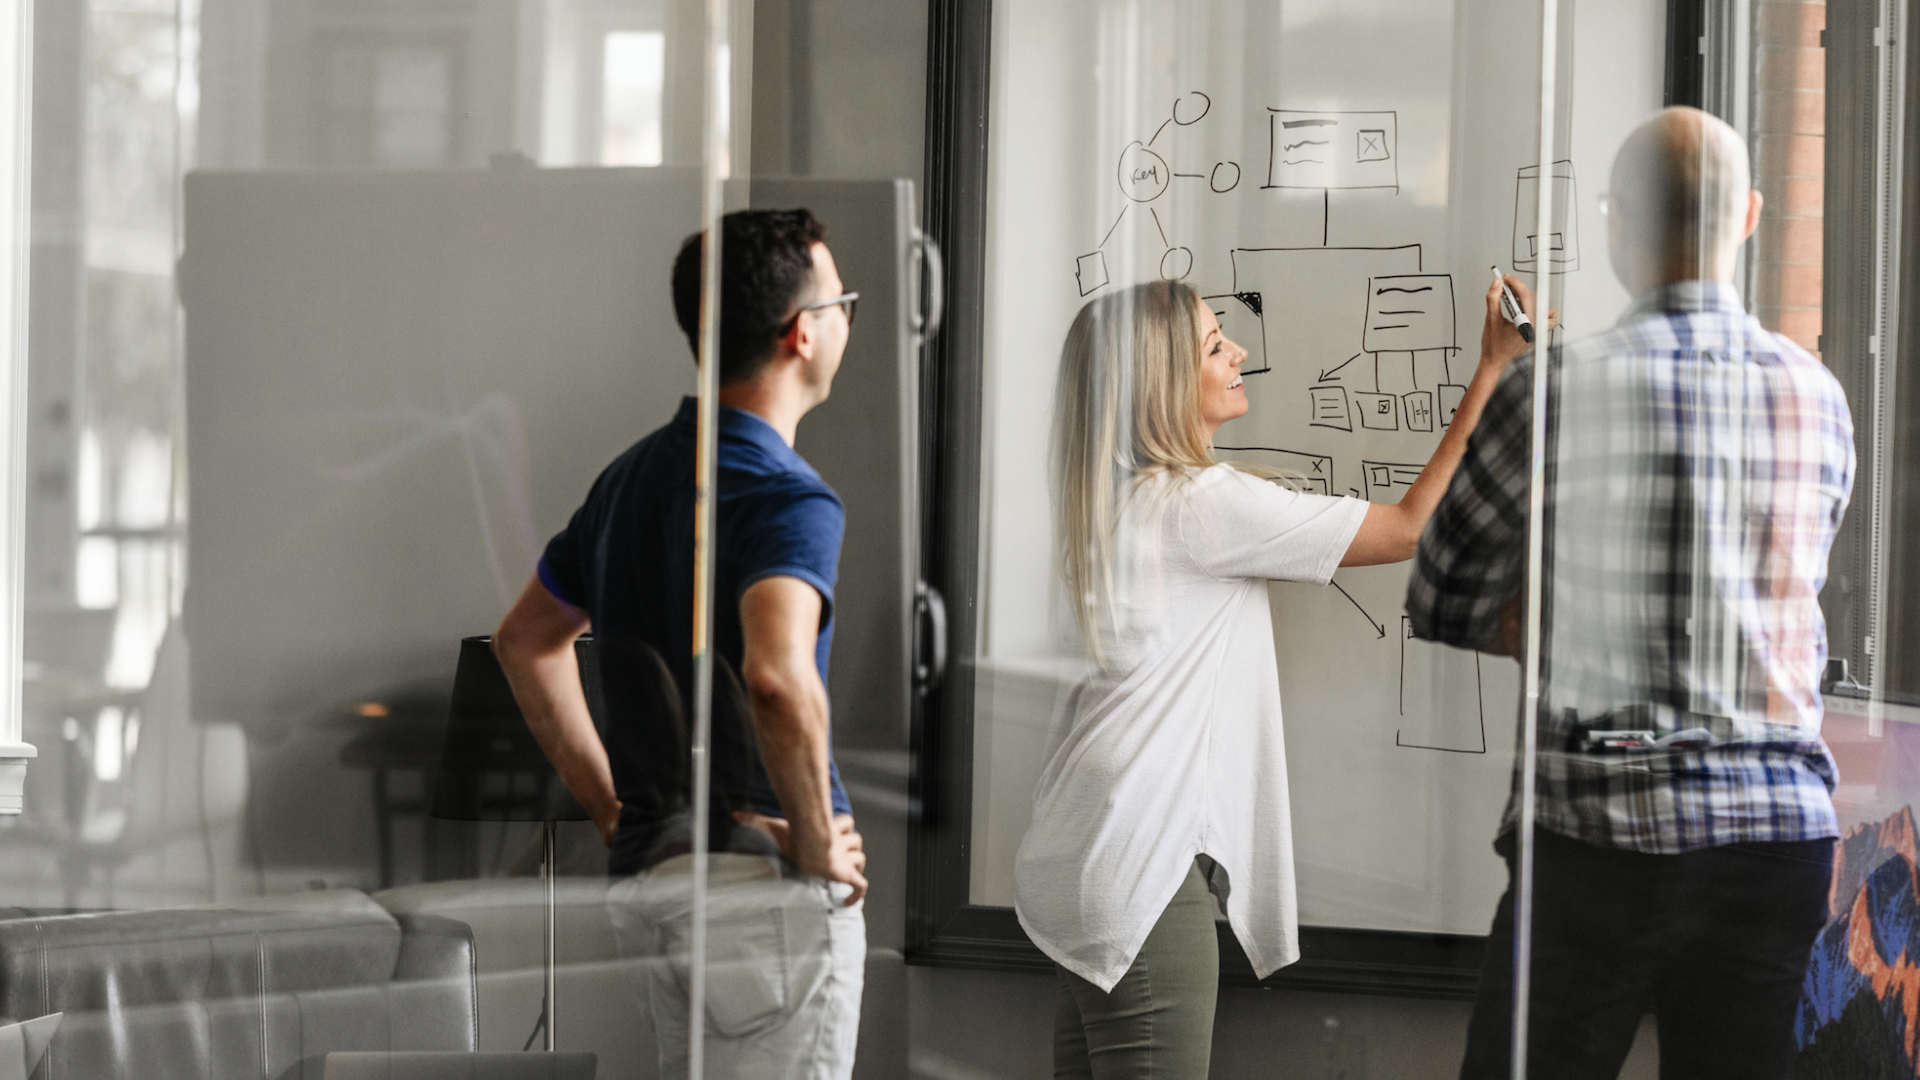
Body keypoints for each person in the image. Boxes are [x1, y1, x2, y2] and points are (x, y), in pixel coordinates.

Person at [1407, 107, 1854, 1080]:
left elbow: (1440, 597)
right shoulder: (1818, 396)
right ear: (1749, 219)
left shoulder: (1550, 391)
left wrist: (1560, 626)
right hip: (1773, 834)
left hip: (1596, 831)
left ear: (1615, 224)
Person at [1019, 272, 1541, 1077]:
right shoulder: (1201, 506)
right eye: (1214, 344)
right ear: (1162, 380)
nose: (1240, 353)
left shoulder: (1113, 503)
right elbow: (1408, 527)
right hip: (1144, 880)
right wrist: (1494, 367)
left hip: (1079, 859)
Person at [491, 208, 869, 1080]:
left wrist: (621, 814)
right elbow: (776, 677)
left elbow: (526, 641)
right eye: (842, 300)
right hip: (761, 891)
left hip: (655, 883)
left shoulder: (629, 479)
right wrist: (813, 841)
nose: (849, 317)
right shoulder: (785, 497)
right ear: (800, 333)